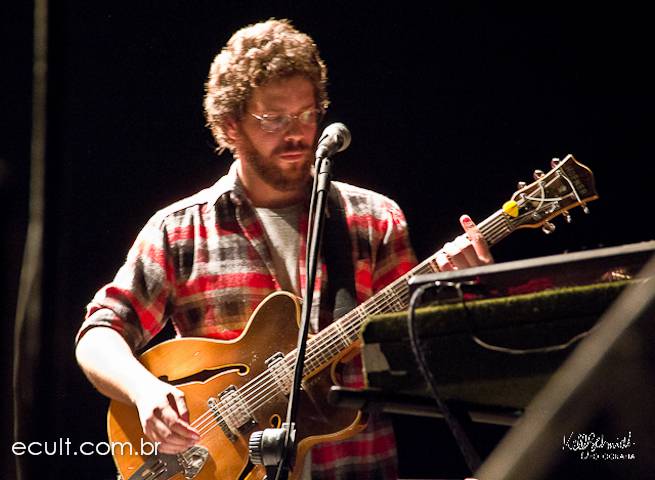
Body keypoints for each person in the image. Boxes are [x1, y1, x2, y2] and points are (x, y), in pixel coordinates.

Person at [75, 18, 492, 479]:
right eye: (273, 119)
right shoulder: (180, 230)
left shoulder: (374, 220)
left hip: (354, 467)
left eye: (307, 114)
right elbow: (99, 333)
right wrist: (143, 391)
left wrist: (459, 292)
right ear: (231, 125)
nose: (296, 134)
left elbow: (419, 363)